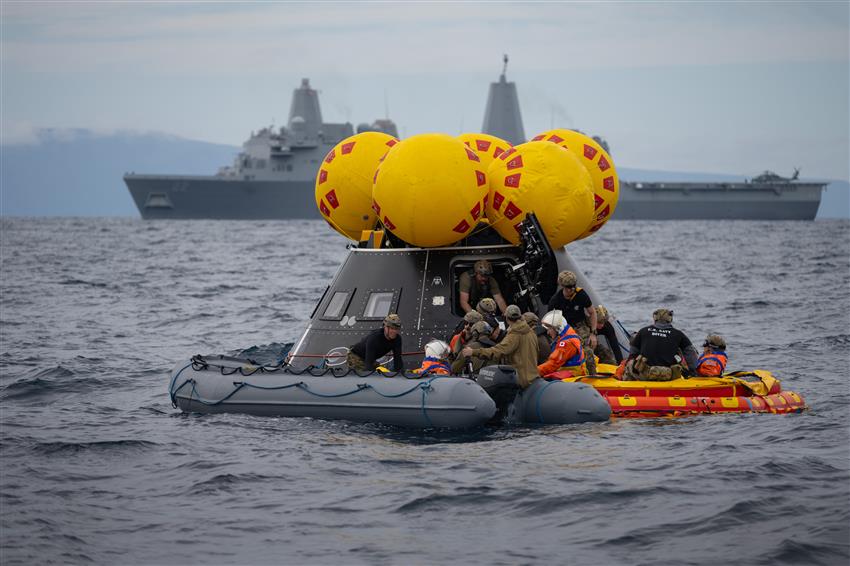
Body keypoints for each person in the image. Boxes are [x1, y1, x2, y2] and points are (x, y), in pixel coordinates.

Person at [462, 304, 539, 388]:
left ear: (506, 318)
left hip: (521, 382)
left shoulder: (514, 335)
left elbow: (498, 351)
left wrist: (473, 352)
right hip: (534, 379)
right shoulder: (531, 333)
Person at [623, 309, 698, 381]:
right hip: (669, 376)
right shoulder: (678, 334)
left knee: (630, 362)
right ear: (670, 319)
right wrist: (692, 371)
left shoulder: (644, 331)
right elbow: (690, 353)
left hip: (646, 375)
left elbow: (633, 351)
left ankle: (626, 385)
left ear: (655, 319)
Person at [546, 271, 598, 375]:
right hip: (564, 329)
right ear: (563, 286)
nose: (572, 289)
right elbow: (550, 322)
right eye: (569, 287)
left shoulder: (581, 295)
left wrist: (593, 333)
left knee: (587, 351)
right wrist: (552, 334)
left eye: (574, 286)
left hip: (580, 326)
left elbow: (592, 313)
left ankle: (592, 375)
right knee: (560, 351)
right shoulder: (555, 301)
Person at [537, 310, 586, 377]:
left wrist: (534, 372)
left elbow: (553, 364)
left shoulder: (566, 343)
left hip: (571, 378)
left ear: (557, 328)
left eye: (549, 329)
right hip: (571, 375)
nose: (548, 332)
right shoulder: (568, 334)